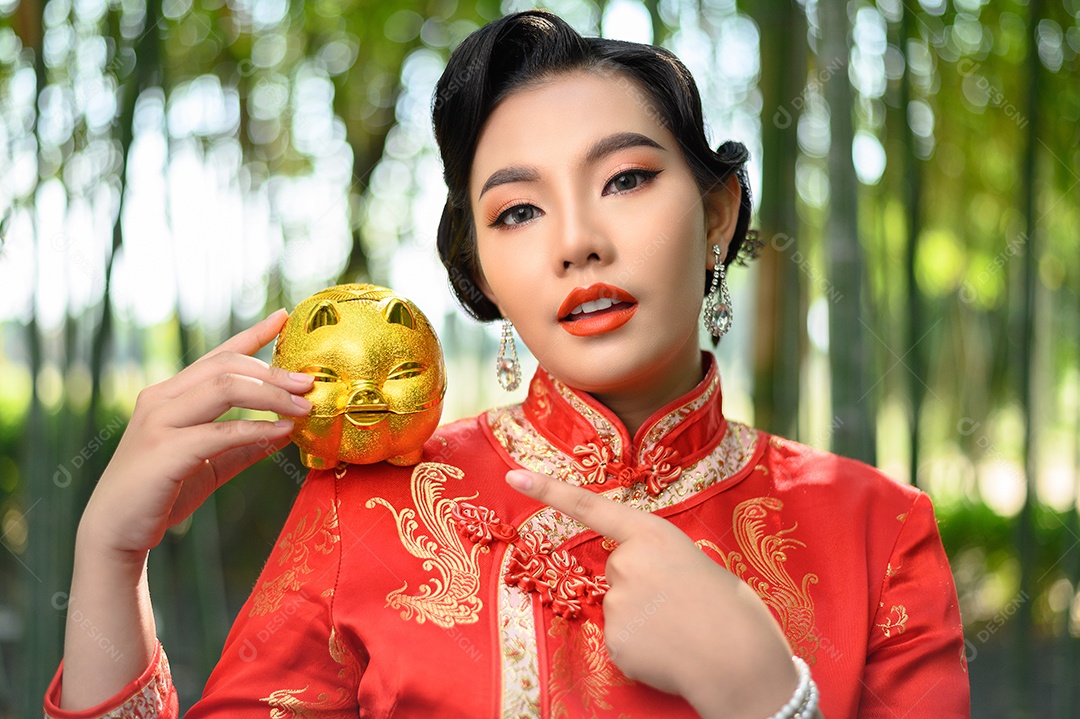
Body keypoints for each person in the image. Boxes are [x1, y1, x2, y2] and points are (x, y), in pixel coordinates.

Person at [44, 9, 970, 719]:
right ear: (483, 266)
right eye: (518, 211)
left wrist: (770, 695)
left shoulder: (879, 535)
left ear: (719, 213)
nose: (576, 241)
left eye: (627, 179)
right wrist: (109, 562)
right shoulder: (369, 505)